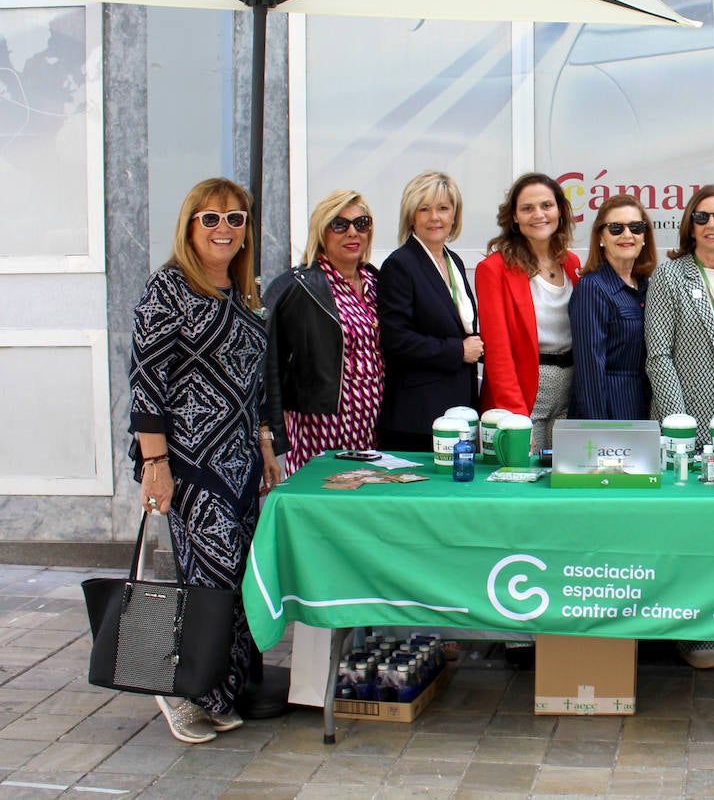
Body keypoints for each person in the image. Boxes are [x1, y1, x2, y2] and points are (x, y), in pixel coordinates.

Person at [128, 177, 282, 744]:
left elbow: (255, 383)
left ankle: (216, 689)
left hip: (240, 460)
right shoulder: (168, 289)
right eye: (211, 218)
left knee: (234, 576)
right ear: (190, 225)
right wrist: (155, 463)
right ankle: (182, 691)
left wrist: (266, 443)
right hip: (190, 462)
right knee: (210, 575)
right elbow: (147, 381)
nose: (224, 229)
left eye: (235, 219)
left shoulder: (244, 295)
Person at [644, 185, 714, 671]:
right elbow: (659, 355)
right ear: (690, 224)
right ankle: (691, 633)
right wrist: (679, 427)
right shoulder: (669, 275)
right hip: (686, 426)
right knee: (689, 531)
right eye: (704, 217)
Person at [264, 189, 383, 475]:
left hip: (372, 425)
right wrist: (270, 435)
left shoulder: (376, 282)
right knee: (319, 506)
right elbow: (267, 365)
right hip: (320, 425)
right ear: (322, 232)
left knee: (363, 511)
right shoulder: (297, 286)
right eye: (340, 224)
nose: (353, 233)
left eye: (361, 223)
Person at [376, 171, 483, 453]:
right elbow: (396, 340)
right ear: (411, 215)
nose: (434, 217)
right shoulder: (400, 264)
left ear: (454, 216)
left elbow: (457, 327)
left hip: (457, 411)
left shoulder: (453, 261)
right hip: (417, 418)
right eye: (424, 208)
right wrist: (457, 350)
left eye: (443, 208)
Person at [476, 173, 581, 451]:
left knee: (562, 475)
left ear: (559, 209)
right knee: (524, 476)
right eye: (527, 208)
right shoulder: (494, 269)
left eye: (547, 205)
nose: (539, 214)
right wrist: (516, 417)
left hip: (569, 385)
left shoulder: (572, 263)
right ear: (514, 217)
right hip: (525, 387)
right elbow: (497, 352)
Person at [569, 194, 657, 420]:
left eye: (636, 227)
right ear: (601, 237)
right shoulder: (592, 288)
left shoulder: (647, 287)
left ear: (644, 236)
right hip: (609, 412)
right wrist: (599, 429)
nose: (627, 235)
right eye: (616, 228)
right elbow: (589, 370)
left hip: (643, 409)